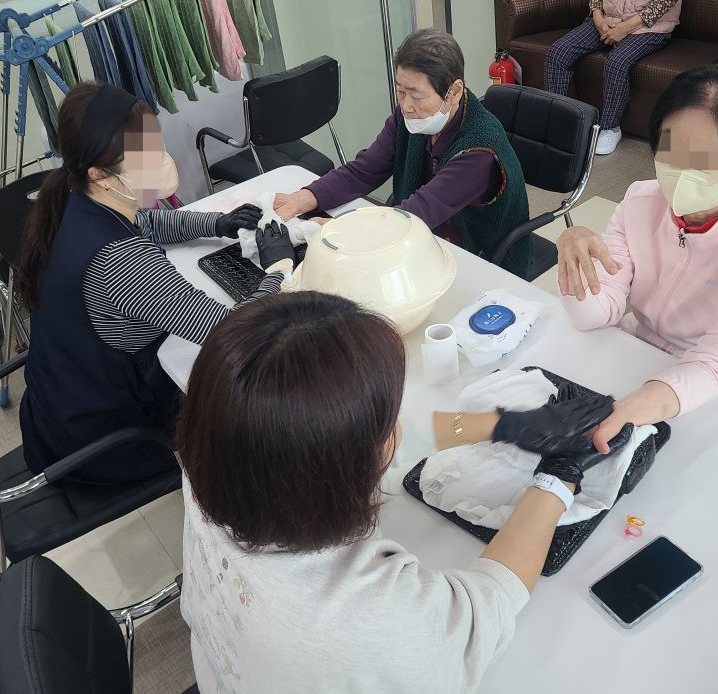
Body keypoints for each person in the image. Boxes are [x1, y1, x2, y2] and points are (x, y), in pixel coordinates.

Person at [176, 291, 613, 693]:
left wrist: (502, 425)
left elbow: (341, 438)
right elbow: (490, 604)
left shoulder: (221, 457)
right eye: (390, 421)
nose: (400, 429)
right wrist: (558, 478)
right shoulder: (372, 619)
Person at [14, 82, 295, 483]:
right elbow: (235, 333)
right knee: (266, 413)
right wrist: (278, 269)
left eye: (157, 145)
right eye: (146, 156)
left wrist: (217, 223)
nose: (162, 160)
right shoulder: (120, 262)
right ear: (101, 174)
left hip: (56, 413)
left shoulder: (74, 199)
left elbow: (144, 221)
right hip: (108, 444)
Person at [555, 64, 718, 452]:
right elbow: (596, 315)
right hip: (641, 352)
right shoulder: (640, 201)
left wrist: (633, 407)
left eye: (707, 161)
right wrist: (577, 267)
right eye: (671, 152)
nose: (682, 173)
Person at [273, 28, 531, 277]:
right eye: (400, 91)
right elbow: (365, 169)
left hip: (478, 257)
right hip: (426, 238)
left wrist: (341, 230)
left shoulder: (480, 149)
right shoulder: (412, 119)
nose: (406, 105)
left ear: (453, 92)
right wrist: (305, 197)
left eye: (416, 95)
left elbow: (419, 212)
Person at [544, 0, 691, 155]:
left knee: (616, 62)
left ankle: (610, 127)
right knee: (558, 53)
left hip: (649, 27)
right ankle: (558, 122)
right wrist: (597, 16)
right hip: (606, 19)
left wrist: (626, 27)